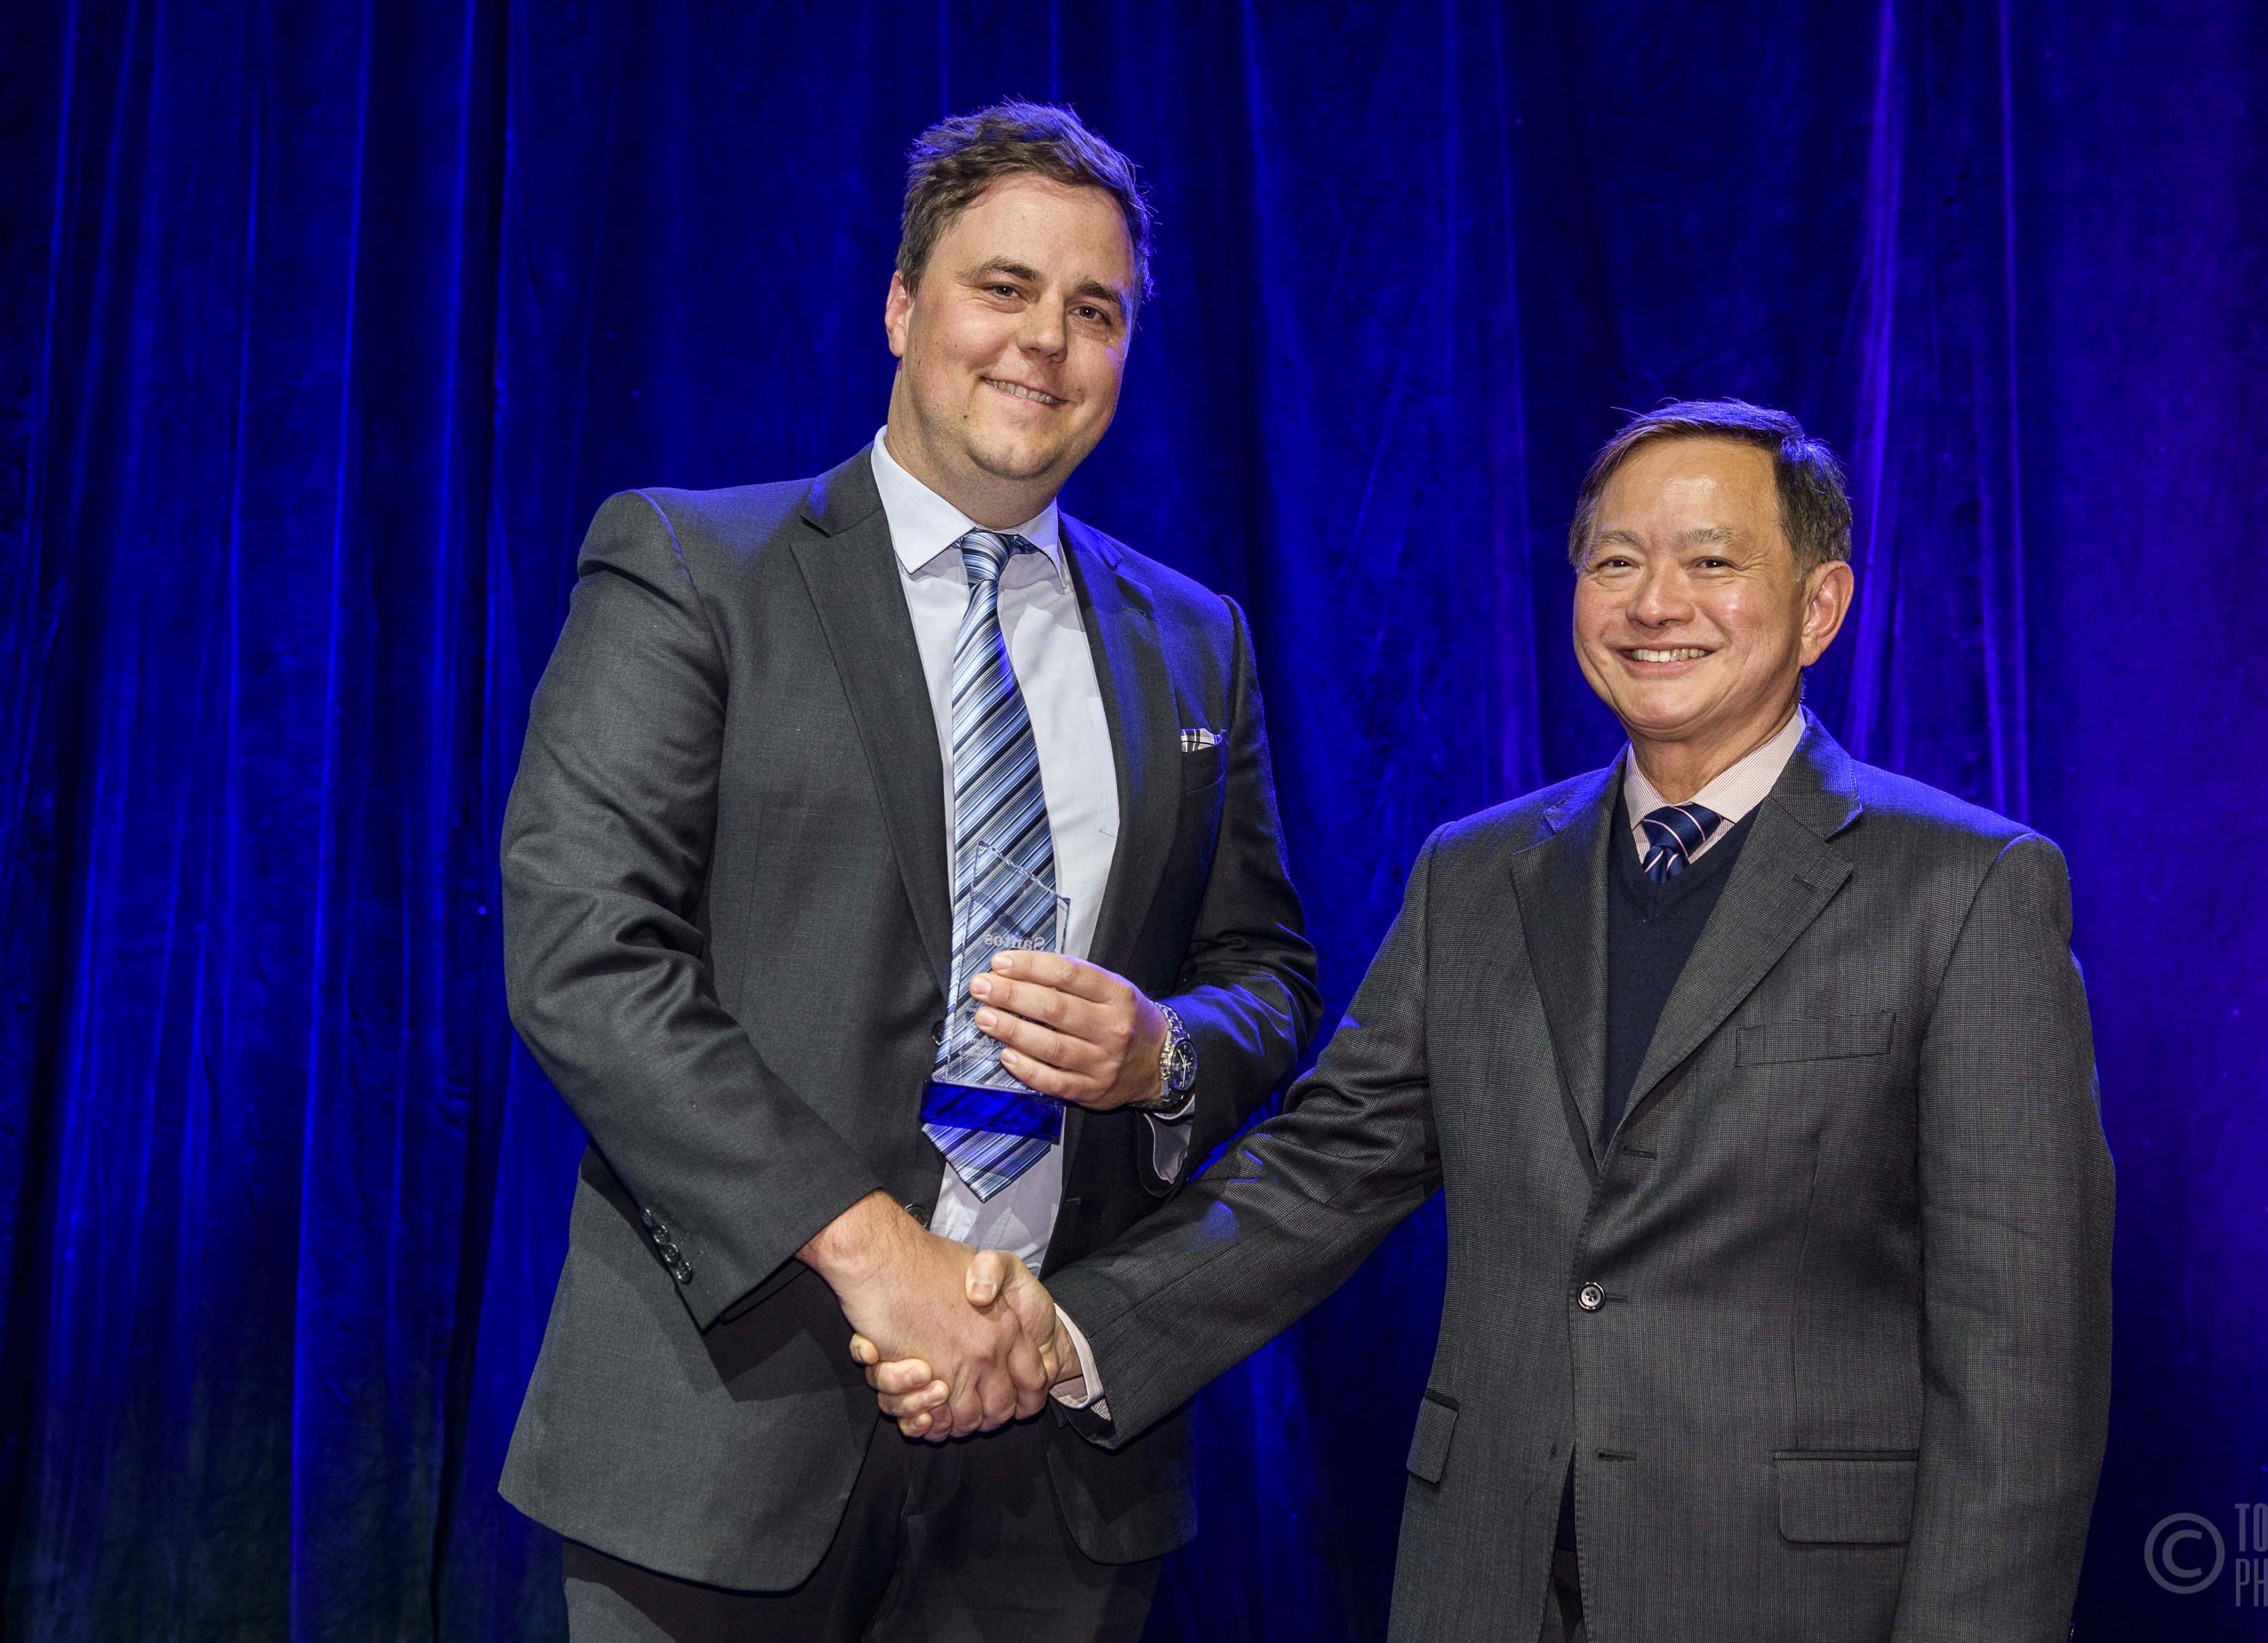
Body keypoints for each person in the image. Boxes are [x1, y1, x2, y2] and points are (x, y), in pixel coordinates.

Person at [867, 401, 2116, 1642]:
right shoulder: (1477, 877)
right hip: (1487, 1584)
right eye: (1615, 562)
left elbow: (2023, 1364)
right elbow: (1319, 1176)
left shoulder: (1967, 890)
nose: (1654, 602)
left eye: (1711, 563)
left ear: (1821, 606)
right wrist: (1066, 1330)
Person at [497, 99, 1319, 1642]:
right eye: (1003, 288)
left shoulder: (1196, 638)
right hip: (723, 1432)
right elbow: (586, 954)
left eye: (1095, 311)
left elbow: (1267, 975)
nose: (1045, 343)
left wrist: (1160, 1053)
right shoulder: (690, 567)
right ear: (900, 305)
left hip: (1054, 1456)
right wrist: (878, 1254)